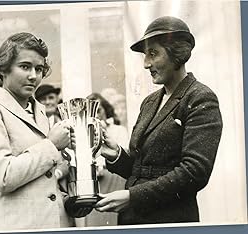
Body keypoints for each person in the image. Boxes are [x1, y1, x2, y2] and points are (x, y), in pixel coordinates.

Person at [95, 16, 223, 225]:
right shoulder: (150, 101)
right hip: (132, 220)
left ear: (178, 54)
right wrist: (115, 154)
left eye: (153, 53)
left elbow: (195, 172)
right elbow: (141, 169)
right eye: (146, 55)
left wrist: (133, 197)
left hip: (171, 220)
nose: (146, 64)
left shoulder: (200, 97)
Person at [0, 32, 74, 231]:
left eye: (39, 69)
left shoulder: (39, 110)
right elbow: (3, 176)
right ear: (3, 68)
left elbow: (43, 179)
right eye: (25, 66)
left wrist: (68, 202)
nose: (34, 76)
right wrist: (51, 145)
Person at [82, 93, 128, 227]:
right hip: (94, 178)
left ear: (105, 110)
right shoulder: (83, 134)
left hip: (113, 176)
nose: (96, 114)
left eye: (99, 110)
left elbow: (122, 153)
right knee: (95, 218)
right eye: (91, 111)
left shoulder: (118, 130)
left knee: (112, 216)